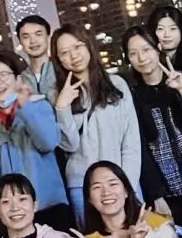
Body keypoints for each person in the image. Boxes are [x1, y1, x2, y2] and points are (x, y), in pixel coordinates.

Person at [0, 53, 76, 232]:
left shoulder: (38, 105)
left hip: (47, 205)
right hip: (9, 213)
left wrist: (25, 107)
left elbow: (48, 142)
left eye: (4, 75)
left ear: (17, 79)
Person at [52, 24, 142, 227]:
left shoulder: (116, 84)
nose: (73, 55)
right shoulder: (56, 94)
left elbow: (131, 141)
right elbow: (69, 146)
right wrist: (62, 108)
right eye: (64, 53)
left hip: (122, 179)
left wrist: (128, 185)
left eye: (78, 46)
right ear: (58, 60)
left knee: (135, 237)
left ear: (88, 46)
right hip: (82, 186)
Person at [123, 26, 182, 227]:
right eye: (133, 53)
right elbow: (141, 148)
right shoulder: (132, 96)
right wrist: (157, 195)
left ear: (158, 47)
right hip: (166, 190)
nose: (141, 58)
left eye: (146, 50)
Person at [16, 15, 57, 101]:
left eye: (38, 34)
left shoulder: (62, 70)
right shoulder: (19, 81)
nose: (33, 41)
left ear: (48, 37)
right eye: (26, 37)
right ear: (20, 42)